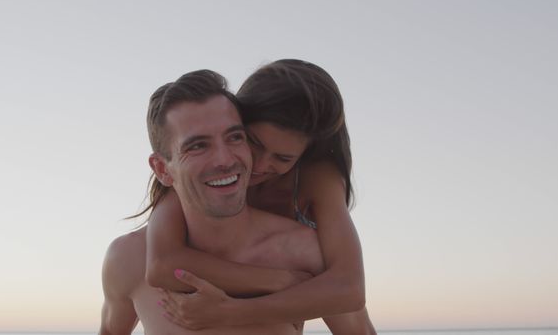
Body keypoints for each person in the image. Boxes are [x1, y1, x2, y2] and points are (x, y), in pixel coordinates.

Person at [143, 59, 376, 334]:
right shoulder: (202, 177)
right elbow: (161, 265)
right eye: (253, 142)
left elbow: (349, 290)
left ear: (305, 154)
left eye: (283, 158)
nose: (262, 165)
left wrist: (231, 313)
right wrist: (281, 281)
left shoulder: (317, 178)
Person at [99, 69, 326, 335]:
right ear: (162, 170)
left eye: (235, 137)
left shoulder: (300, 250)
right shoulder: (128, 258)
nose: (225, 159)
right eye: (197, 146)